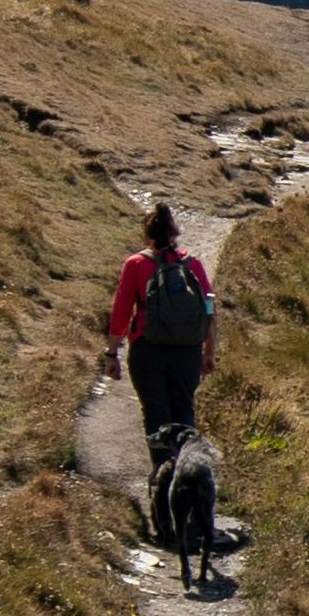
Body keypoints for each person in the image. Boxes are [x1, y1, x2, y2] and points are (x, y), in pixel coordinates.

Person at [102, 202, 213, 477]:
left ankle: (163, 476)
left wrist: (112, 353)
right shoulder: (193, 264)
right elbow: (209, 308)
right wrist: (208, 351)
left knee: (155, 412)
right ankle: (188, 476)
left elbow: (121, 313)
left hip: (147, 349)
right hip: (187, 350)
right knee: (183, 411)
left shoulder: (136, 264)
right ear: (174, 233)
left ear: (148, 235)